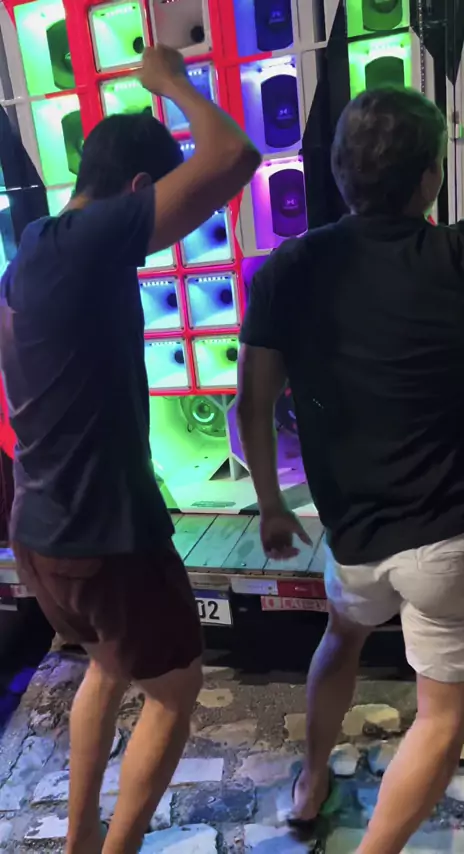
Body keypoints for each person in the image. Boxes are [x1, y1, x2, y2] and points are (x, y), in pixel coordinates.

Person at [0, 45, 260, 854]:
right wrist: (171, 83)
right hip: (105, 533)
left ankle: (81, 841)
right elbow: (235, 157)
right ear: (140, 188)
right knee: (175, 691)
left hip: (43, 528)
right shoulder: (88, 240)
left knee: (110, 669)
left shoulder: (35, 243)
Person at [237, 86, 464, 854]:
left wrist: (271, 505)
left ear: (340, 172)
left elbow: (252, 400)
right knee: (444, 716)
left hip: (354, 537)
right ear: (430, 179)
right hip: (447, 542)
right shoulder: (463, 257)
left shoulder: (290, 267)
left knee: (341, 638)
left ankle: (310, 784)